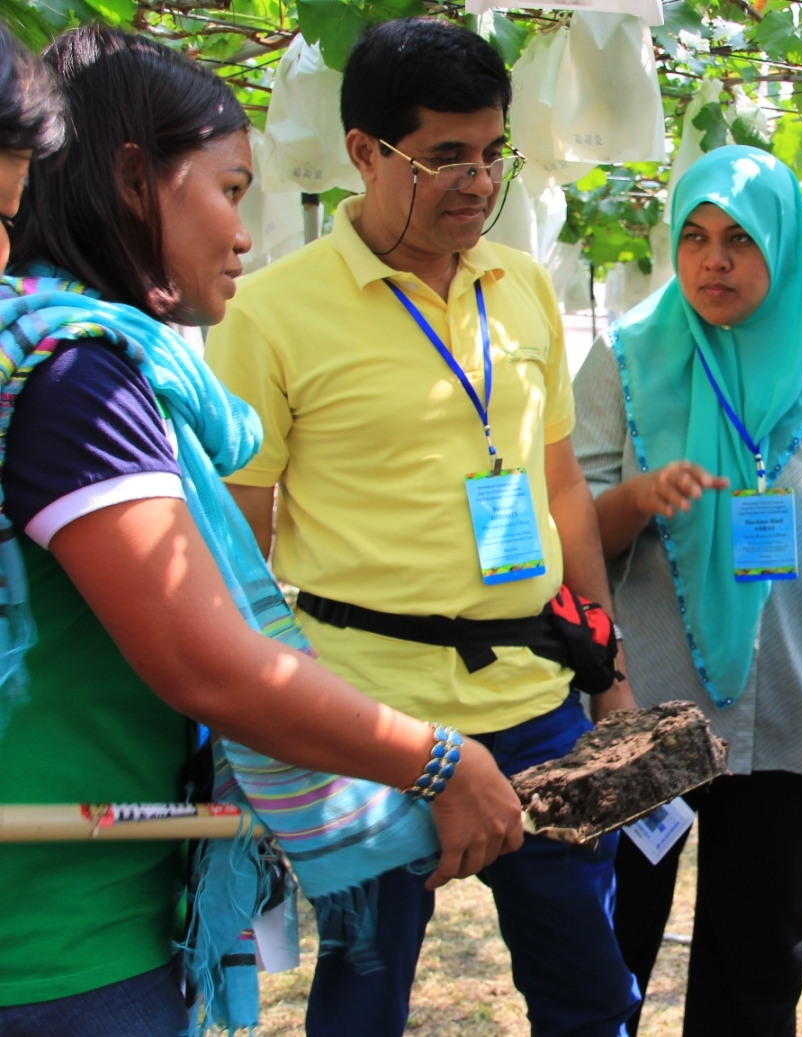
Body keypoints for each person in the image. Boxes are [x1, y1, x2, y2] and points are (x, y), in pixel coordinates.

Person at [0, 26, 526, 1036]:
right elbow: (210, 663)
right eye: (230, 190)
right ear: (131, 179)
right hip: (59, 945)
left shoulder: (56, 354)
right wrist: (436, 756)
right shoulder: (77, 380)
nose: (245, 233)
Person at [203, 18, 638, 1037]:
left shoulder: (523, 284)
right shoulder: (270, 315)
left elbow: (561, 487)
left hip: (541, 702)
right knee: (363, 996)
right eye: (445, 157)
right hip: (373, 720)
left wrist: (607, 667)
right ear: (364, 151)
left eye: (494, 154)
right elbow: (242, 547)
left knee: (591, 986)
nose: (478, 183)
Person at [572, 145, 802, 1036]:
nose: (713, 260)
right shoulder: (625, 356)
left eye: (739, 239)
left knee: (756, 969)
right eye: (693, 237)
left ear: (785, 247)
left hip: (798, 714)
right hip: (644, 710)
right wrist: (639, 498)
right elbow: (574, 539)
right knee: (608, 953)